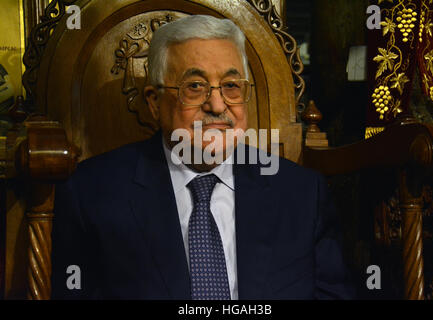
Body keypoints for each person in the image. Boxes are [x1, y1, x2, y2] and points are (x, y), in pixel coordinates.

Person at [51, 15, 355, 300]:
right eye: (194, 87)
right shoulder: (90, 194)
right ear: (154, 103)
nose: (216, 104)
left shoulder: (302, 193)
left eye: (231, 86)